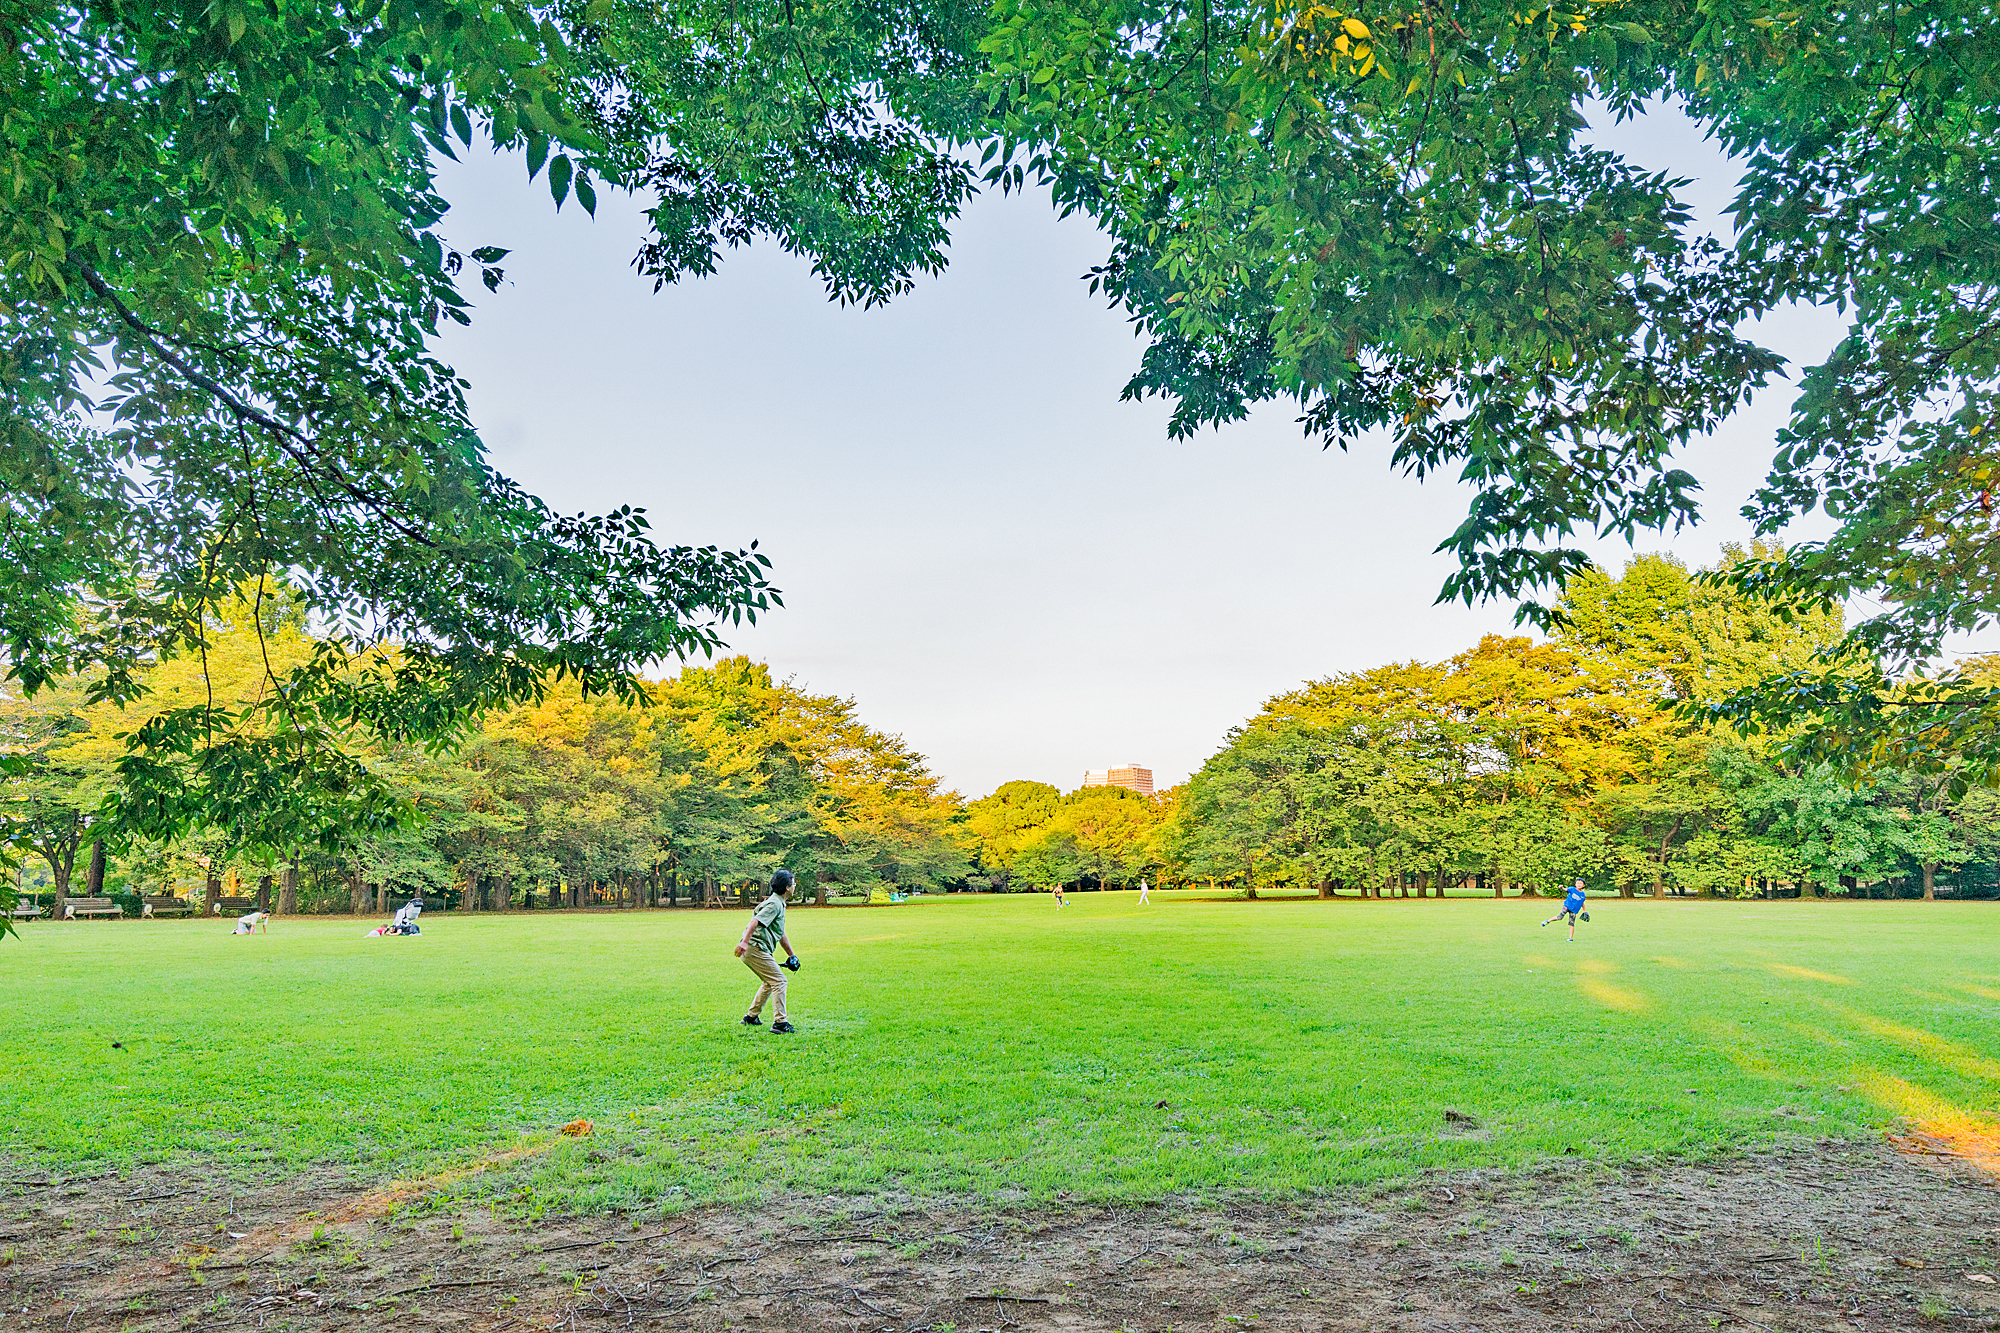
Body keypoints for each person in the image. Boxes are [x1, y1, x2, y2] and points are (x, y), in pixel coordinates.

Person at [735, 870, 799, 1033]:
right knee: (779, 981)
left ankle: (751, 1017)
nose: (794, 885)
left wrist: (791, 955)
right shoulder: (774, 904)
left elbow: (780, 933)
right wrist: (744, 943)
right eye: (793, 883)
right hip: (754, 948)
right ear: (787, 887)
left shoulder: (778, 902)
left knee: (770, 981)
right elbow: (755, 921)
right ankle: (780, 1023)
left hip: (756, 949)